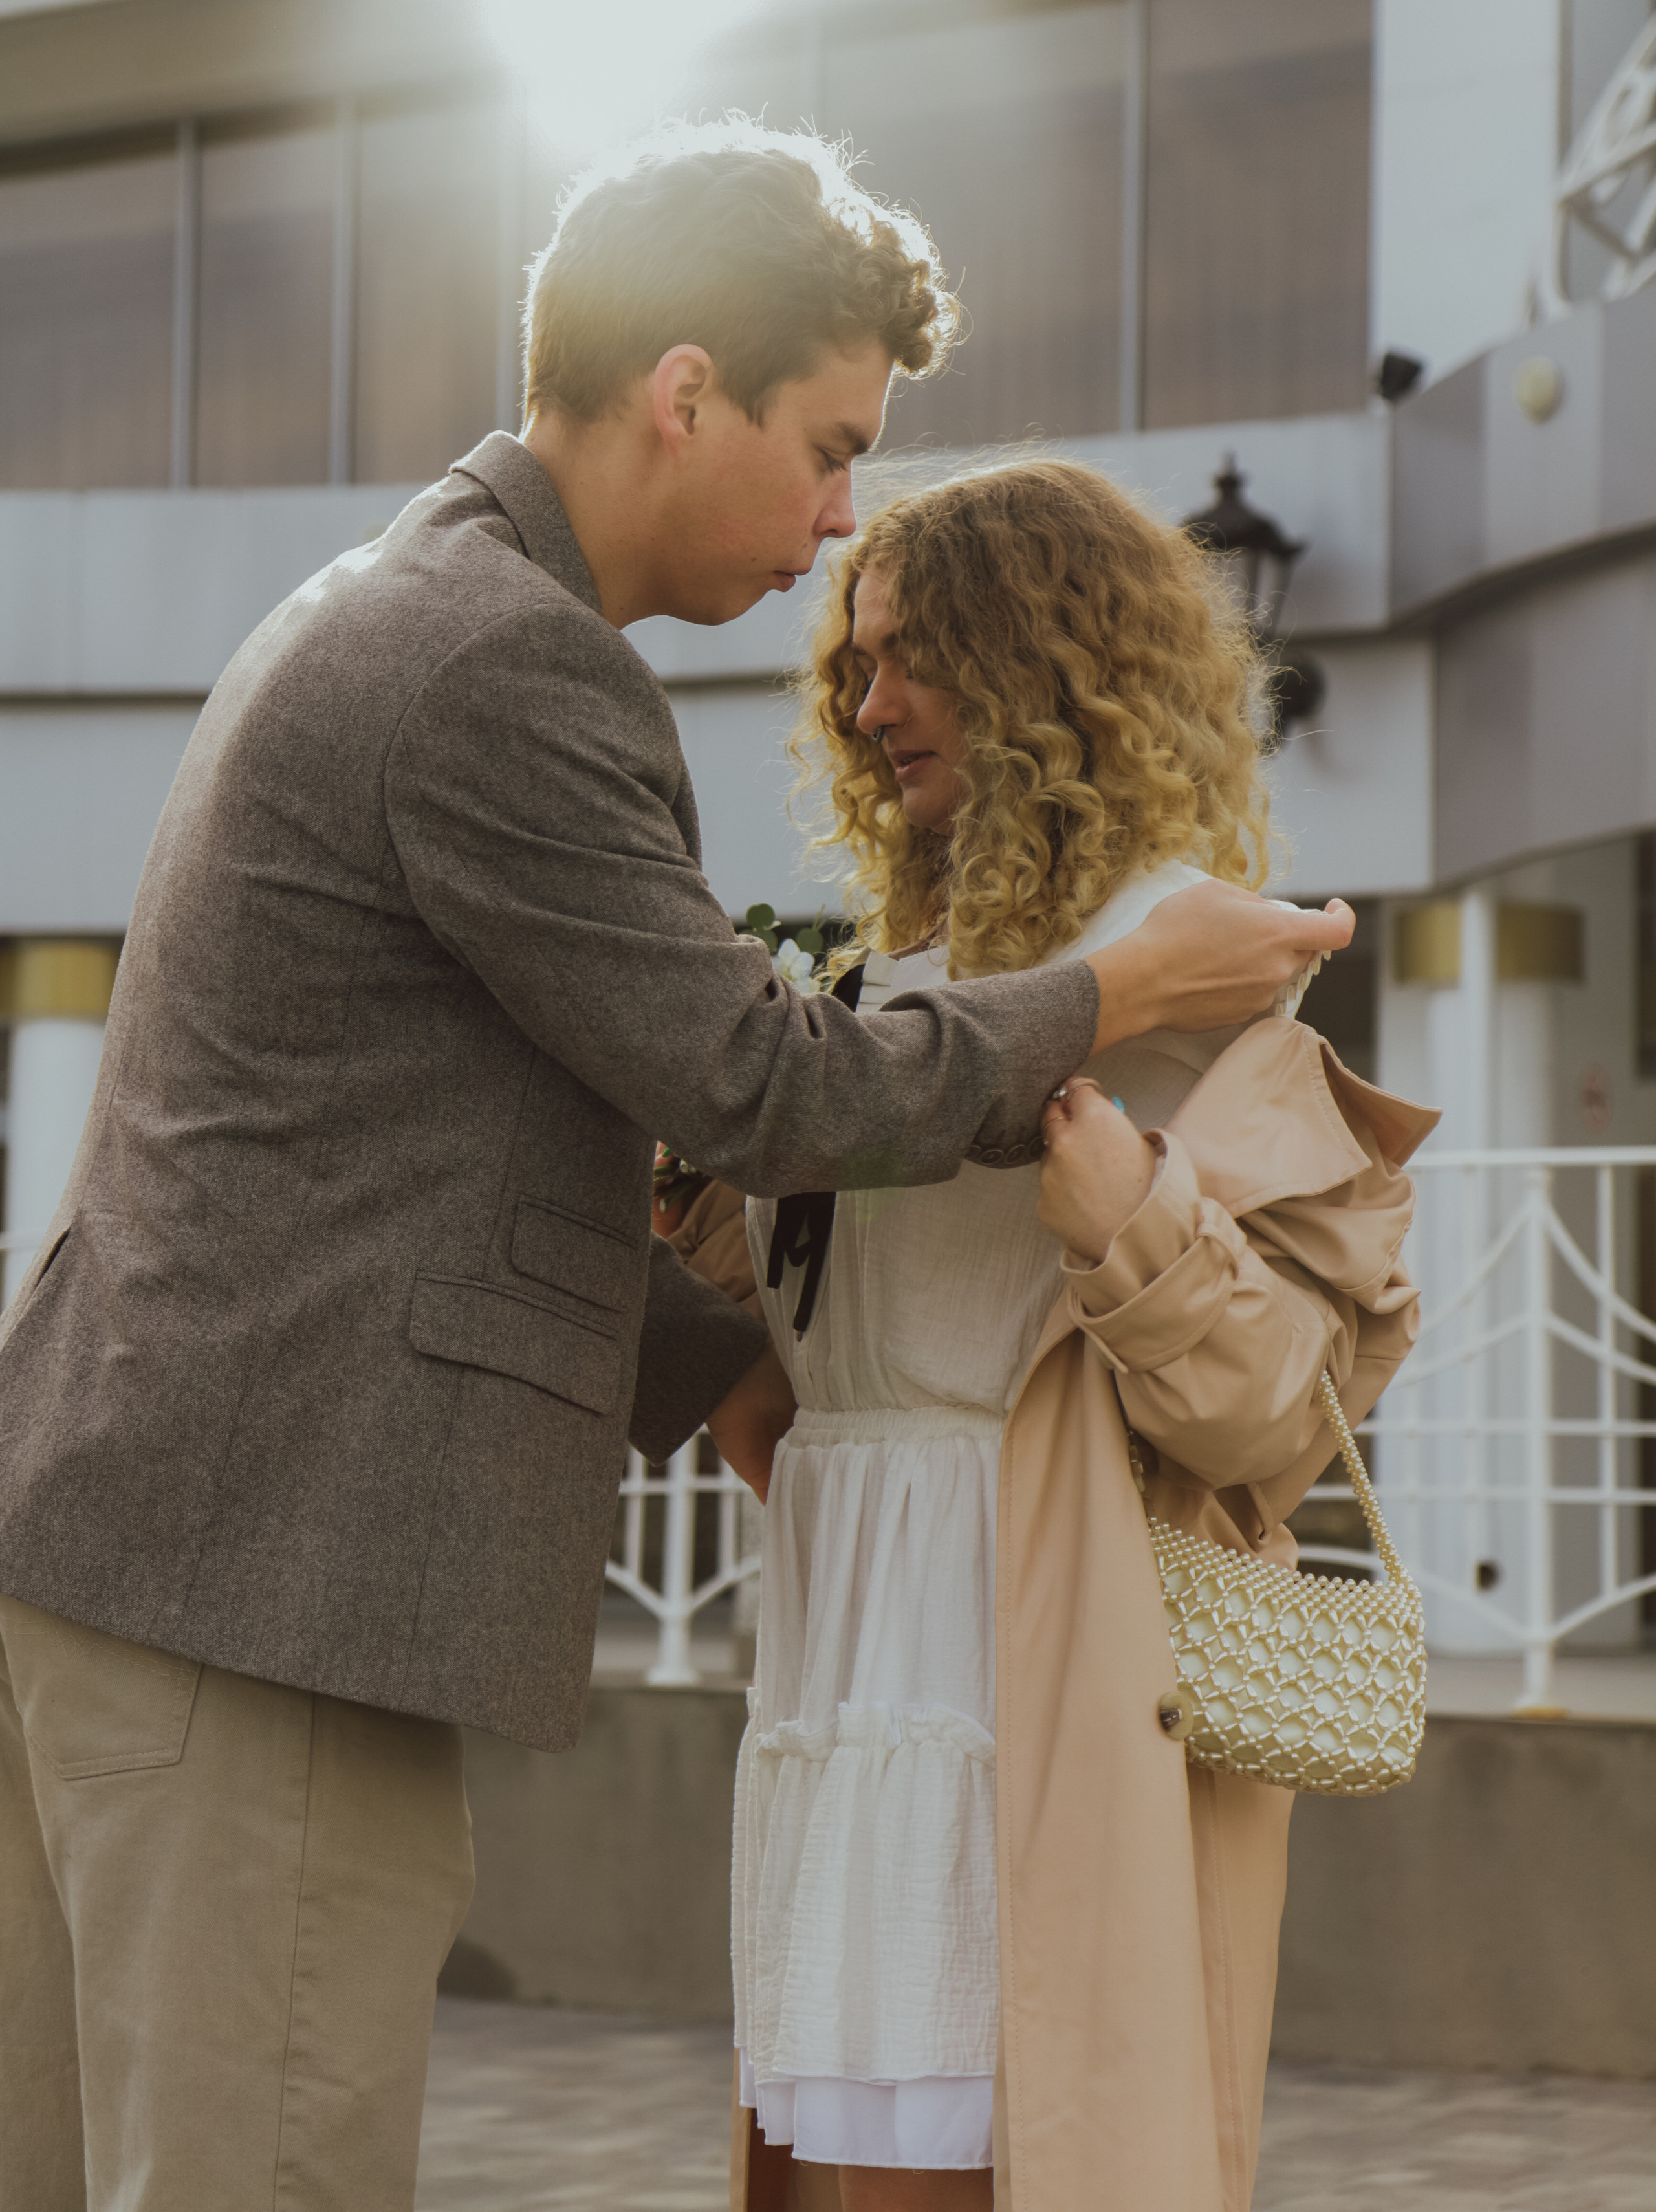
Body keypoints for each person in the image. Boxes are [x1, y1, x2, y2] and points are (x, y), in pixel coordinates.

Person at [0, 124, 1351, 2212]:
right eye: (827, 447)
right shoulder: (507, 658)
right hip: (252, 1592)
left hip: (165, 1554)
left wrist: (715, 1351)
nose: (832, 526)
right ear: (684, 390)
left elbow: (422, 1157)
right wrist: (1107, 994)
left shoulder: (393, 602)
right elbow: (757, 1080)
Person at [729, 459, 1433, 2212]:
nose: (872, 705)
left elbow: (1283, 1414)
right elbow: (839, 1357)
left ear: (1049, 665)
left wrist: (1130, 1213)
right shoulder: (892, 978)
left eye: (917, 659)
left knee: (1001, 2156)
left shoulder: (1183, 960)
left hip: (1026, 1647)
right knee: (831, 2174)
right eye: (860, 668)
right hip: (849, 1638)